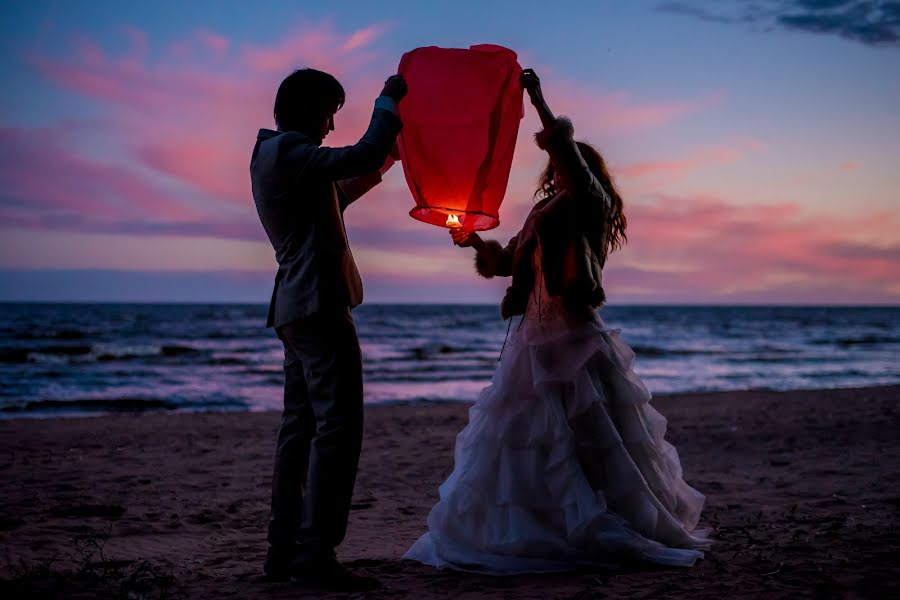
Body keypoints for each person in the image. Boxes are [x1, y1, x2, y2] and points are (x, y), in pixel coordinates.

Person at [403, 68, 711, 574]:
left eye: (564, 164)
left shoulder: (589, 202)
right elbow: (507, 264)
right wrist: (473, 242)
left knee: (589, 435)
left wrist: (539, 100)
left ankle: (597, 523)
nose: (555, 171)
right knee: (530, 438)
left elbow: (563, 149)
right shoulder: (543, 212)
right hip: (533, 335)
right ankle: (539, 526)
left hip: (574, 331)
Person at [250, 68, 406, 590]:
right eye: (329, 111)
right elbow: (353, 156)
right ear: (307, 108)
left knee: (301, 428)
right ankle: (315, 552)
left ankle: (283, 549)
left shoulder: (279, 158)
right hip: (317, 306)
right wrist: (387, 105)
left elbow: (338, 190)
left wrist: (387, 156)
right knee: (338, 428)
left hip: (296, 309)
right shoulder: (288, 152)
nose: (331, 124)